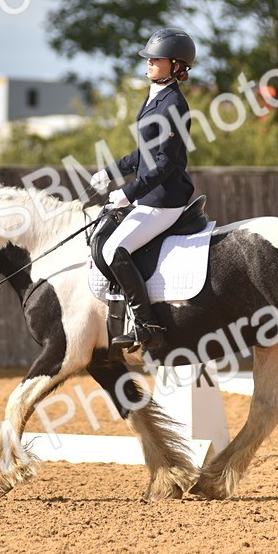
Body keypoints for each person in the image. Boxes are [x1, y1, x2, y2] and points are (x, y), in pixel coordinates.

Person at [90, 27, 197, 354]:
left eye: (156, 58)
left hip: (165, 199)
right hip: (150, 195)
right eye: (149, 58)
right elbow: (144, 153)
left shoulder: (174, 104)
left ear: (176, 65)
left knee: (114, 251)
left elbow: (164, 163)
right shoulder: (156, 98)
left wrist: (129, 192)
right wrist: (112, 171)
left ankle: (146, 324)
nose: (149, 62)